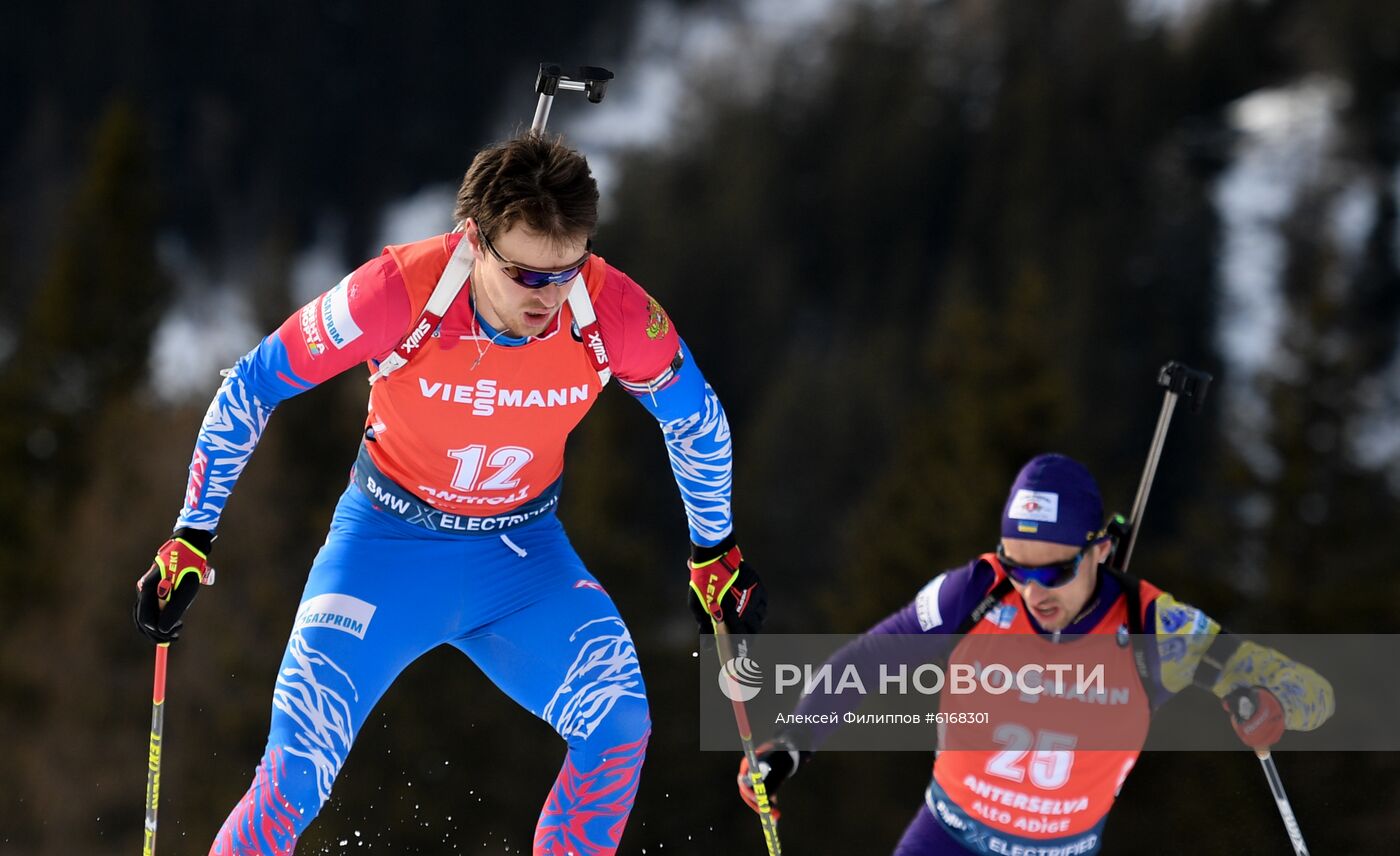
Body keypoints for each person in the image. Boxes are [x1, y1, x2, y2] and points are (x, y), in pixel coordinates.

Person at [132, 133, 767, 856]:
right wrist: (193, 533)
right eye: (526, 274)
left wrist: (714, 547)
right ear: (475, 239)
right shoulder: (399, 291)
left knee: (620, 725)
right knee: (294, 776)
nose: (550, 296)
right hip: (384, 548)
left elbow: (696, 418)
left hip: (521, 559)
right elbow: (254, 382)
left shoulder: (612, 311)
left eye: (568, 269)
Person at [735, 453, 1332, 855]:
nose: (1035, 591)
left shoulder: (1153, 625)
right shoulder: (977, 591)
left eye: (1056, 570)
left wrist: (1269, 703)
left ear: (1100, 550)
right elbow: (869, 660)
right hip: (946, 839)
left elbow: (1315, 692)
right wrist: (791, 744)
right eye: (1021, 568)